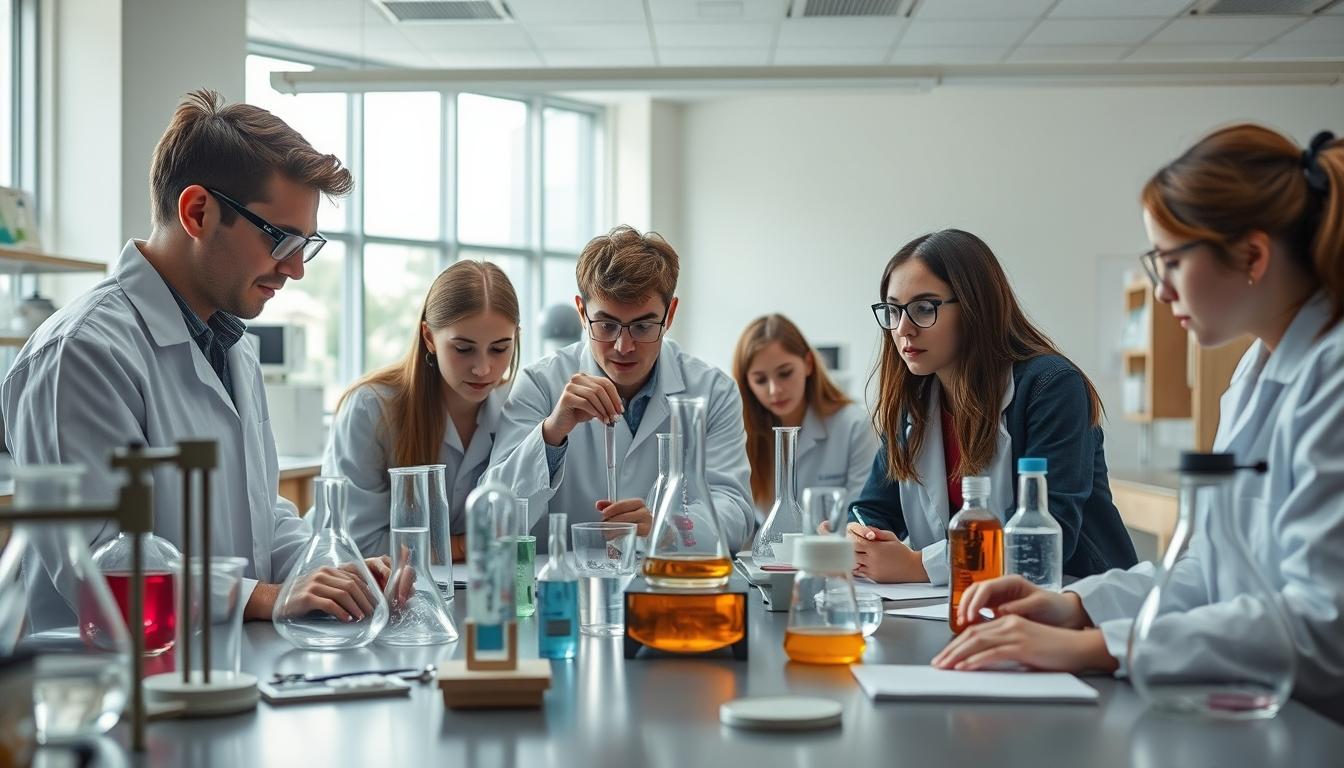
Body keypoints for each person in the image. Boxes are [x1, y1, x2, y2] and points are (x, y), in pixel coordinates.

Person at [936, 127, 1344, 718]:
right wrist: (1076, 607)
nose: (1160, 292)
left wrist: (1096, 645)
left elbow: (1324, 624)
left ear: (1253, 256)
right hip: (1259, 704)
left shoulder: (1331, 378)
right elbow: (1211, 570)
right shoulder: (1256, 374)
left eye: (1171, 262)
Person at [1, 89, 386, 627]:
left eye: (306, 245)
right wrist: (262, 598)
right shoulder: (81, 352)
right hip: (107, 682)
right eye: (282, 241)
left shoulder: (232, 346)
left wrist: (340, 573)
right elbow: (95, 562)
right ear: (198, 211)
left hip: (223, 666)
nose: (296, 269)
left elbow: (261, 518)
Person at [841, 229, 1137, 584]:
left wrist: (920, 565)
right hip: (965, 606)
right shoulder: (916, 403)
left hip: (1077, 602)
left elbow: (1047, 534)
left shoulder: (1050, 386)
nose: (903, 328)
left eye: (923, 308)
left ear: (975, 306)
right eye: (893, 310)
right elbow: (873, 508)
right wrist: (863, 539)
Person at [486, 225, 754, 550]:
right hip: (564, 591)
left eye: (642, 326)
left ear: (669, 315)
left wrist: (663, 527)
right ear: (582, 313)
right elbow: (490, 519)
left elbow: (737, 517)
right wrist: (552, 432)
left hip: (666, 585)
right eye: (607, 325)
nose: (623, 346)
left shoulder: (713, 391)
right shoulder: (540, 384)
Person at [323, 260, 519, 560]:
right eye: (463, 349)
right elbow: (357, 546)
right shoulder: (370, 408)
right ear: (429, 337)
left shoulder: (519, 409)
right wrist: (466, 544)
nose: (483, 368)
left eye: (499, 348)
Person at [732, 313, 876, 517]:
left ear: (808, 363)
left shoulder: (854, 425)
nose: (775, 390)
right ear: (747, 383)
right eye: (760, 380)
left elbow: (862, 518)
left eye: (785, 373)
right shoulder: (742, 433)